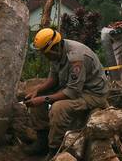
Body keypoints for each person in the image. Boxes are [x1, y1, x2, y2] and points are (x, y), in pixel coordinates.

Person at [24, 28, 109, 158]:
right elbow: (53, 78)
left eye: (45, 53)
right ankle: (42, 141)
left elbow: (72, 92)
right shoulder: (56, 53)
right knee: (38, 98)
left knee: (58, 108)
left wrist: (44, 99)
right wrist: (38, 91)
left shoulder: (76, 58)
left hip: (93, 93)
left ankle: (54, 150)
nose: (45, 57)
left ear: (55, 47)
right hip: (74, 88)